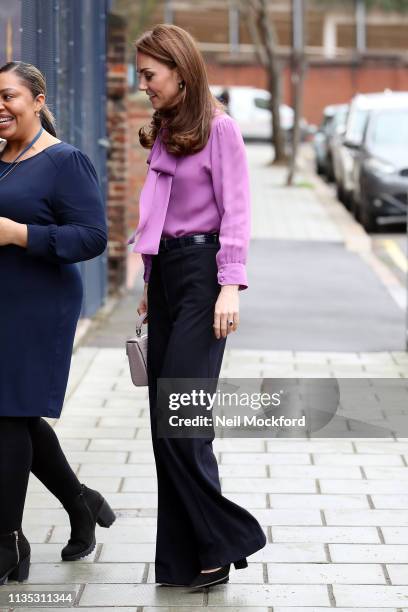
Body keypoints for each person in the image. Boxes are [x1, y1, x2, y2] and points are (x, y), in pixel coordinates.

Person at [129, 24, 266, 589]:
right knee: (166, 424)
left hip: (205, 278)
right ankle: (186, 558)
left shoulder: (222, 130)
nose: (143, 86)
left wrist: (230, 285)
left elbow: (237, 212)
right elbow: (159, 213)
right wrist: (147, 282)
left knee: (184, 422)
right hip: (165, 280)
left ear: (180, 73)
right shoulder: (166, 129)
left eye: (149, 75)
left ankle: (226, 537)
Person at [0, 61, 116, 586]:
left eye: (9, 97)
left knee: (6, 415)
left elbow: (91, 238)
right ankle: (81, 502)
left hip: (38, 305)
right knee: (16, 414)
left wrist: (18, 234)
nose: (0, 108)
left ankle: (8, 543)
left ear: (38, 100)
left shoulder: (66, 162)